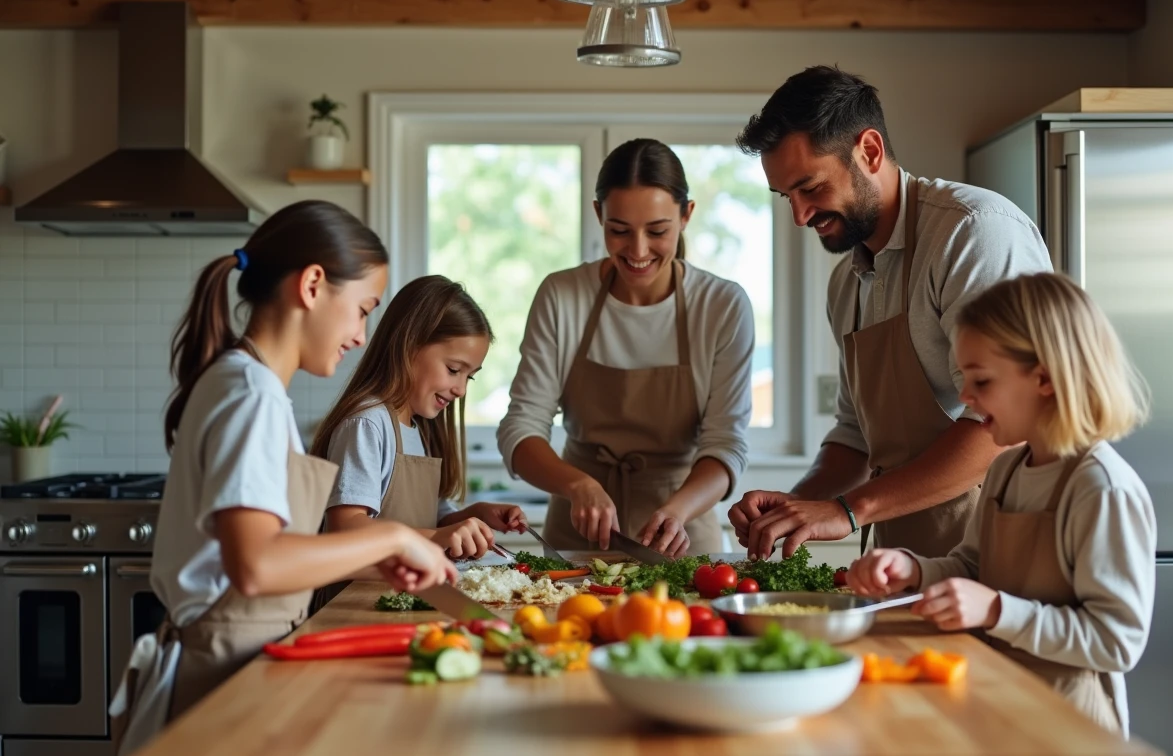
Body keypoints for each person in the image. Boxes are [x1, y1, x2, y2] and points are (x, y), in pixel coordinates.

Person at [109, 201, 457, 756]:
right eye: (362, 310)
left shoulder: (244, 382)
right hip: (216, 672)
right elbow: (255, 565)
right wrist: (391, 538)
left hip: (237, 658)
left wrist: (379, 550)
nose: (360, 335)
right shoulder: (252, 395)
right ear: (314, 285)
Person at [729, 65, 1052, 561]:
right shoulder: (846, 283)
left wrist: (847, 510)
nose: (799, 216)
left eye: (810, 188)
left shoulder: (973, 234)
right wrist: (797, 506)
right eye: (786, 197)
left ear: (870, 151)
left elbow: (1004, 421)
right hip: (905, 561)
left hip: (1004, 549)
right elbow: (855, 434)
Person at [847, 272, 1155, 737]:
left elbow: (1116, 641)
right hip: (1003, 701)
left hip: (1072, 729)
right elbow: (973, 568)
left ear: (1045, 379)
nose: (966, 398)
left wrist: (995, 611)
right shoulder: (1007, 469)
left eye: (981, 381)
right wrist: (914, 570)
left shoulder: (1101, 489)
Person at [498, 138, 754, 558]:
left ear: (686, 215)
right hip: (577, 528)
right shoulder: (563, 295)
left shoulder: (722, 305)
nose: (637, 251)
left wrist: (677, 510)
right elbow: (521, 428)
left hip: (682, 534)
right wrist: (578, 484)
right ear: (598, 214)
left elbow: (726, 443)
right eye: (618, 230)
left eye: (657, 231)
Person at [309, 275, 528, 611]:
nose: (461, 389)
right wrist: (439, 538)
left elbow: (429, 519)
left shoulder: (421, 427)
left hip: (401, 597)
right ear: (409, 346)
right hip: (353, 603)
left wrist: (471, 517)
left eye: (469, 376)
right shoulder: (367, 424)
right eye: (454, 369)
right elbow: (348, 528)